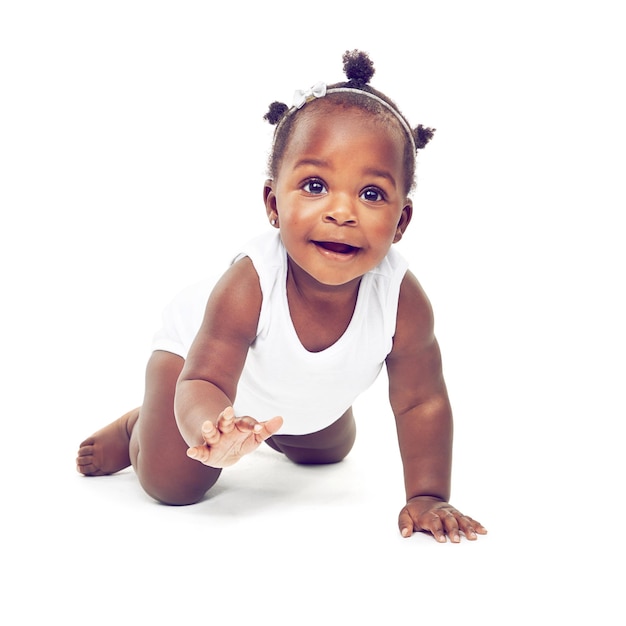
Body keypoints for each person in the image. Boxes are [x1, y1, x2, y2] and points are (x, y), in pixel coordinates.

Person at [76, 50, 487, 543]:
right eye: (315, 185)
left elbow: (421, 402)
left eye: (372, 194)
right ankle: (138, 427)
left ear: (401, 221)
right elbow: (206, 377)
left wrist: (427, 494)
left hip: (289, 399)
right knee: (174, 485)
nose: (342, 211)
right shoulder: (250, 283)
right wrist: (212, 428)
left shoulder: (402, 299)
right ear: (273, 203)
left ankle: (297, 419)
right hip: (196, 373)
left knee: (330, 450)